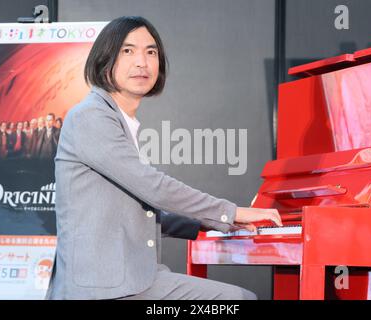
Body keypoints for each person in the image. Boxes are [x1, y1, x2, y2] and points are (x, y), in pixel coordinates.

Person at [46, 16, 282, 300]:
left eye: (151, 52)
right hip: (103, 288)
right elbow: (153, 188)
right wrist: (230, 211)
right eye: (128, 51)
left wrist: (207, 223)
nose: (142, 62)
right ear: (104, 60)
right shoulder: (91, 117)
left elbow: (137, 209)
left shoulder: (119, 120)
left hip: (132, 279)